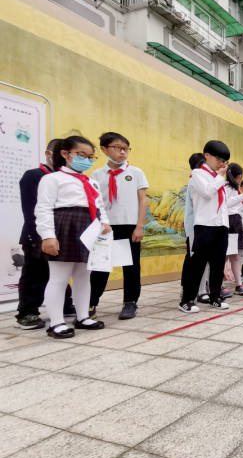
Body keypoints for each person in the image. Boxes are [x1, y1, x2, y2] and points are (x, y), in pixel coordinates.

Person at [36, 136, 111, 338]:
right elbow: (43, 209)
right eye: (80, 155)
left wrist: (104, 223)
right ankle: (56, 322)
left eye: (90, 157)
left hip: (88, 229)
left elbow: (99, 206)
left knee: (83, 276)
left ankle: (83, 316)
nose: (85, 160)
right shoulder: (52, 179)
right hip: (65, 226)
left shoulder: (92, 182)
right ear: (65, 154)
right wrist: (48, 236)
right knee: (59, 277)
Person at [88, 132, 148, 320]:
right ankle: (90, 302)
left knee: (131, 267)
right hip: (106, 227)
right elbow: (95, 203)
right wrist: (99, 224)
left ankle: (130, 302)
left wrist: (139, 226)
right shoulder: (97, 175)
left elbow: (143, 200)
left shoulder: (136, 172)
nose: (123, 152)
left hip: (129, 226)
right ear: (104, 149)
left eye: (126, 149)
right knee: (100, 267)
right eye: (117, 148)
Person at [16, 139, 75, 330]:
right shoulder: (34, 176)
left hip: (61, 235)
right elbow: (31, 210)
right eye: (58, 154)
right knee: (35, 273)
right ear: (48, 154)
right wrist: (39, 236)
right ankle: (27, 313)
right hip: (37, 235)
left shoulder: (66, 178)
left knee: (60, 273)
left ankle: (65, 305)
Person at [178, 140, 231, 313]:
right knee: (197, 265)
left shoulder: (217, 177)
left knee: (218, 265)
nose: (222, 164)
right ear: (206, 156)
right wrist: (220, 178)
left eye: (224, 161)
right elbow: (207, 193)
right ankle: (187, 300)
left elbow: (225, 203)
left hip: (221, 225)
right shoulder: (197, 174)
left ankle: (215, 297)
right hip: (205, 226)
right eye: (219, 159)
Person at [225, 163, 243, 296]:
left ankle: (239, 283)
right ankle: (219, 285)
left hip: (236, 221)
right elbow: (227, 204)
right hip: (227, 222)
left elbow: (237, 207)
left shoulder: (235, 189)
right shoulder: (225, 187)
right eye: (240, 177)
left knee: (235, 255)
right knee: (224, 256)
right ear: (238, 176)